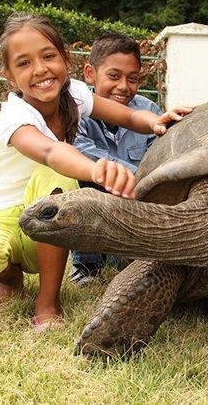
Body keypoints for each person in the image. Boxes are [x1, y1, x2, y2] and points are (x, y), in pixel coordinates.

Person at [0, 13, 190, 329]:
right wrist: (96, 169)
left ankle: (47, 302)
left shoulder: (73, 94)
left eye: (48, 56)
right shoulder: (14, 117)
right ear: (9, 76)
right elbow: (51, 150)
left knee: (55, 181)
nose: (40, 69)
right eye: (24, 63)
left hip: (44, 220)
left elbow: (127, 117)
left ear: (65, 59)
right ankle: (10, 273)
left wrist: (155, 121)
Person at [69, 33, 162, 286]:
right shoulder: (74, 111)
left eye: (132, 79)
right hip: (99, 190)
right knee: (83, 183)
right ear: (90, 73)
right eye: (114, 76)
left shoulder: (149, 111)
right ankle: (87, 265)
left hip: (136, 200)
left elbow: (159, 159)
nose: (123, 86)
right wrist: (129, 174)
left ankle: (138, 256)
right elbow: (81, 152)